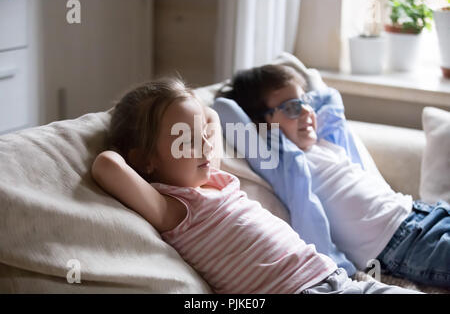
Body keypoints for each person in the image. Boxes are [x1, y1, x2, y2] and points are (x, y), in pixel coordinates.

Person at [91, 77, 418, 294]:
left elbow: (212, 117)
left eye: (203, 136)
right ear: (146, 159)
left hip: (335, 279)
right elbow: (107, 164)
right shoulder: (173, 207)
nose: (206, 145)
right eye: (186, 139)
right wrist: (135, 152)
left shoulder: (213, 175)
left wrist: (187, 112)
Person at [213, 62, 450, 289]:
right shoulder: (281, 161)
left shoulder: (326, 140)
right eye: (292, 108)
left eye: (305, 102)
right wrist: (262, 119)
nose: (306, 111)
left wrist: (297, 102)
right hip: (400, 245)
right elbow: (225, 109)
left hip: (422, 212)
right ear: (262, 122)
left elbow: (330, 97)